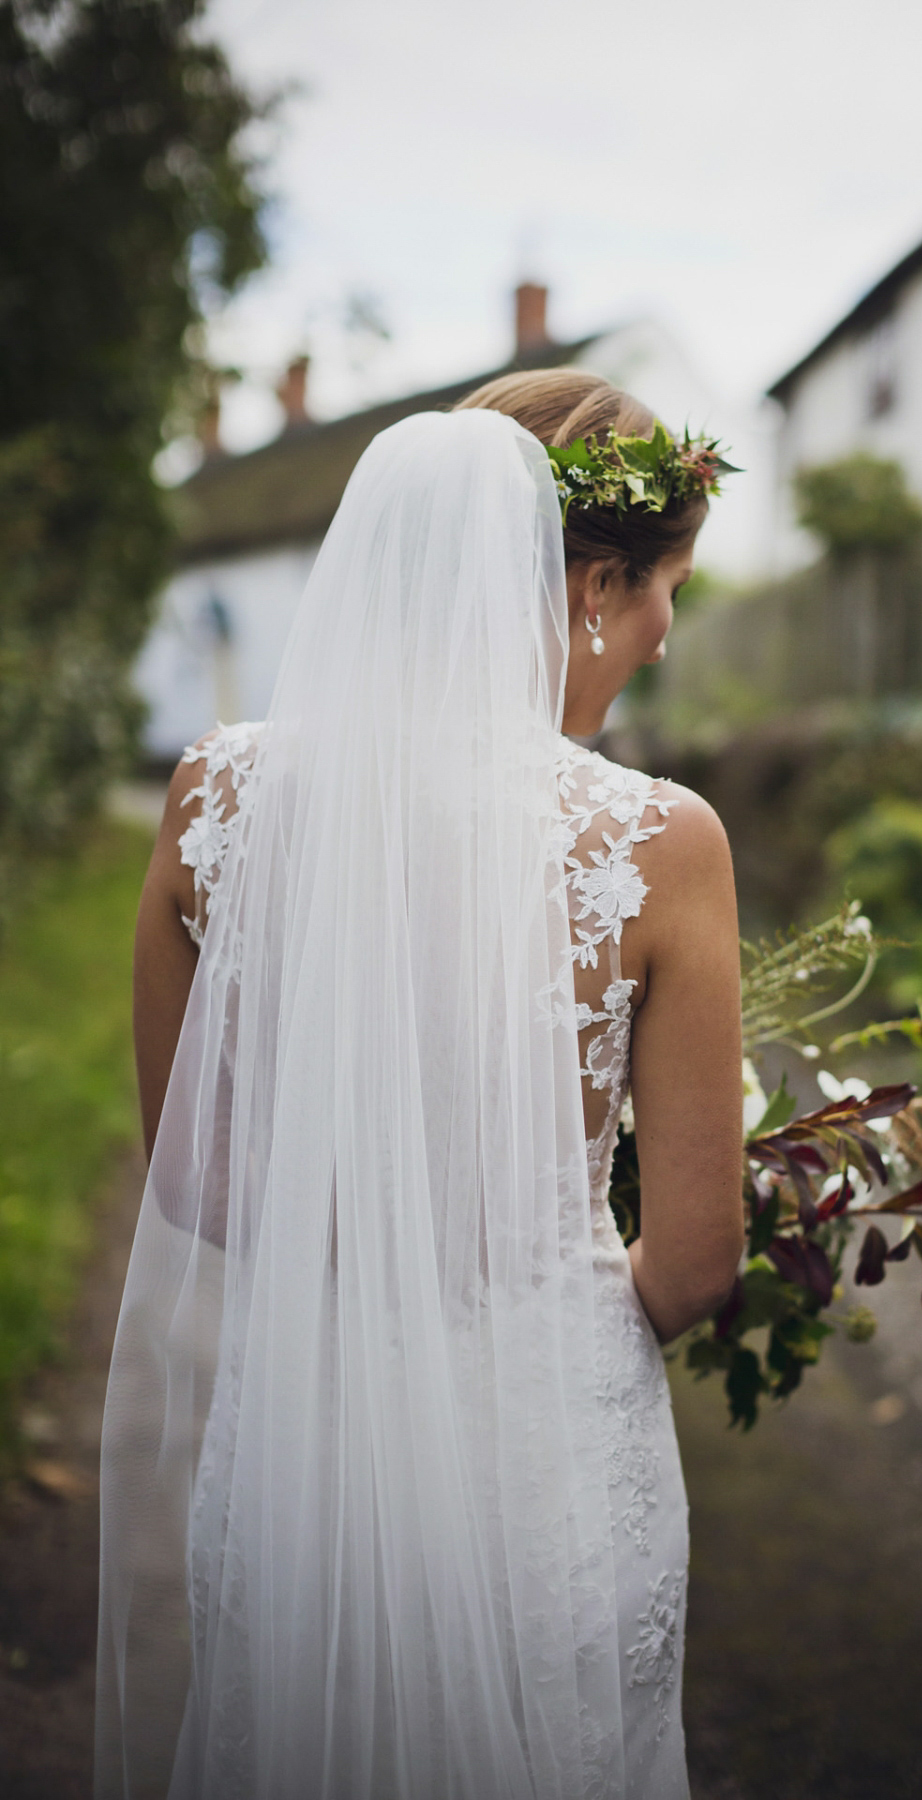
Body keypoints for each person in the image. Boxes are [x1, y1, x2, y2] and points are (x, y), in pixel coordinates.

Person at [95, 371, 745, 1799]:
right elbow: (696, 1265)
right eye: (665, 586)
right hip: (546, 1464)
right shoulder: (660, 839)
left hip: (298, 1457)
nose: (663, 628)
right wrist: (548, 1271)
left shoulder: (215, 792)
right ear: (593, 580)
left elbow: (195, 1182)